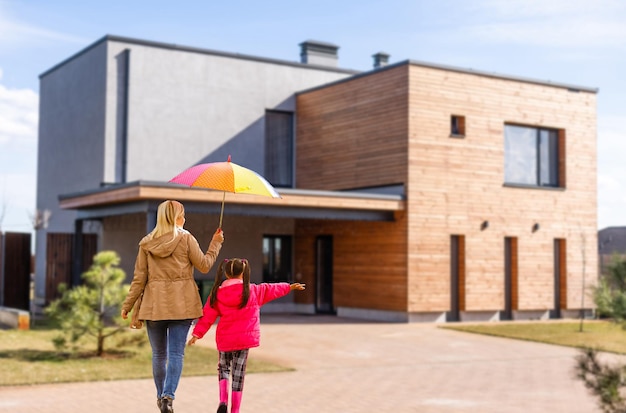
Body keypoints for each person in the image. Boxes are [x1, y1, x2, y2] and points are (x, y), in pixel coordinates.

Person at [121, 200, 224, 413]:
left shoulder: (146, 243)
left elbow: (139, 279)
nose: (184, 219)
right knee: (176, 354)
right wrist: (216, 243)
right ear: (176, 217)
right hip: (183, 304)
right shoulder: (186, 238)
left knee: (159, 354)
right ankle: (168, 396)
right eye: (183, 214)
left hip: (154, 305)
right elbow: (204, 266)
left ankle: (161, 399)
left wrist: (128, 305)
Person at [187, 257, 305, 413]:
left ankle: (223, 400)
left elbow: (207, 315)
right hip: (244, 340)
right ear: (243, 273)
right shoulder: (253, 291)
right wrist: (288, 287)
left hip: (226, 339)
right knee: (238, 374)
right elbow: (271, 288)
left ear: (227, 274)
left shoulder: (217, 294)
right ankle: (235, 410)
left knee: (223, 369)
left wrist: (197, 334)